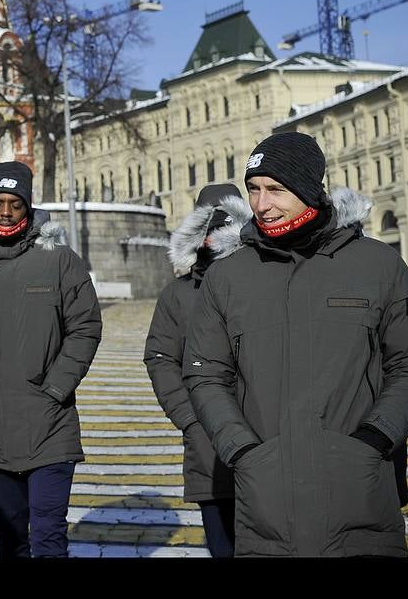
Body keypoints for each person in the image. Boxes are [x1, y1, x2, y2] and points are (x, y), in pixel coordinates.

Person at [184, 132, 408, 557]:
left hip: (360, 499)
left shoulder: (378, 265)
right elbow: (205, 373)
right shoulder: (227, 277)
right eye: (252, 189)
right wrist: (242, 450)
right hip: (264, 505)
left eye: (275, 190)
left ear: (307, 189)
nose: (260, 204)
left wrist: (376, 438)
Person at [0, 161, 103, 558]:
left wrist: (56, 388)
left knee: (48, 538)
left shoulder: (60, 260)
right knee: (10, 538)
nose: (7, 211)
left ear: (28, 206)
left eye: (15, 202)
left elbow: (85, 328)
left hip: (51, 424)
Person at [145, 182, 250, 558]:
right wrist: (190, 417)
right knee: (222, 545)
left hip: (268, 440)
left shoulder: (263, 279)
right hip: (208, 445)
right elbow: (160, 358)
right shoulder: (178, 294)